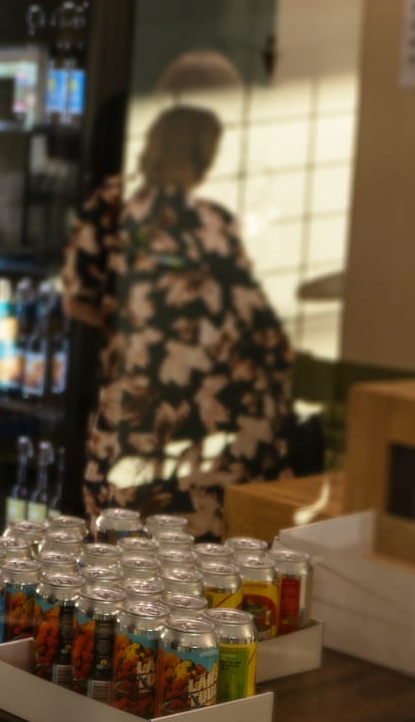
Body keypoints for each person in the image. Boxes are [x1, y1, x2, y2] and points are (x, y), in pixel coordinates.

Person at [61, 100, 294, 539]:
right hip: (186, 416)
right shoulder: (183, 216)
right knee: (166, 551)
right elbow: (250, 315)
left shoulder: (151, 212)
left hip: (169, 411)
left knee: (140, 546)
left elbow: (77, 299)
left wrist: (132, 330)